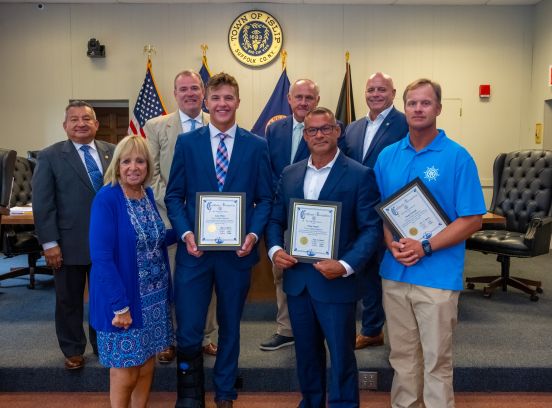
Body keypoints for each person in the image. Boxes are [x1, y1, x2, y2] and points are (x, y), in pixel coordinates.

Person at [374, 79, 486, 408]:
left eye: (425, 103)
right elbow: (383, 213)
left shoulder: (457, 157)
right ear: (403, 108)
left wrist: (425, 247)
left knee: (437, 361)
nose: (418, 109)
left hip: (437, 277)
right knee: (402, 358)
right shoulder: (388, 155)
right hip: (394, 274)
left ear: (438, 108)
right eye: (412, 103)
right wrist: (391, 243)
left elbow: (472, 220)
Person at [165, 72, 272, 408]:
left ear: (238, 102)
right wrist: (186, 233)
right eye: (216, 98)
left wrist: (254, 235)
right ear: (207, 103)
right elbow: (174, 196)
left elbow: (266, 198)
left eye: (229, 98)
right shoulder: (188, 143)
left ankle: (225, 390)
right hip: (194, 254)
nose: (223, 104)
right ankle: (190, 394)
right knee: (189, 328)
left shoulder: (257, 145)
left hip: (237, 255)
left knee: (230, 326)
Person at [266, 107, 382, 408]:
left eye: (325, 128)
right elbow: (275, 220)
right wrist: (275, 249)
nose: (319, 134)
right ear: (304, 135)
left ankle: (343, 404)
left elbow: (371, 229)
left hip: (336, 282)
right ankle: (312, 402)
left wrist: (345, 265)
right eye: (312, 130)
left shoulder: (359, 174)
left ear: (337, 131)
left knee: (342, 354)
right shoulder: (290, 174)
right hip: (299, 281)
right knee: (306, 353)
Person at [88, 135, 175, 408]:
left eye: (140, 161)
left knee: (147, 364)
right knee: (126, 372)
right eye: (126, 161)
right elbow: (101, 258)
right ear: (117, 165)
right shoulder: (107, 198)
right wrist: (120, 306)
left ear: (148, 166)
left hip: (154, 298)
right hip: (124, 302)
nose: (133, 167)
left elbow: (153, 239)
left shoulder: (146, 194)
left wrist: (187, 234)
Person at [261, 78, 345, 351]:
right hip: (285, 212)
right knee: (283, 270)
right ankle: (287, 329)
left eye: (309, 97)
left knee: (318, 269)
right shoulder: (275, 130)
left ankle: (315, 326)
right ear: (289, 99)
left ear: (316, 101)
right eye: (299, 97)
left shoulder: (325, 130)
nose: (303, 102)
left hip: (320, 217)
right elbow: (269, 170)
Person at [32, 100, 115, 370]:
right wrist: (50, 243)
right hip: (68, 243)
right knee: (69, 299)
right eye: (74, 119)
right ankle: (73, 349)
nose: (81, 123)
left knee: (106, 298)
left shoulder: (113, 152)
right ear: (65, 125)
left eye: (87, 118)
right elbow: (43, 204)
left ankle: (103, 345)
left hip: (108, 243)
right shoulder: (50, 156)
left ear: (96, 124)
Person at [144, 69, 218, 362]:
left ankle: (207, 336)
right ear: (175, 94)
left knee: (208, 281)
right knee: (172, 281)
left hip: (212, 222)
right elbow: (152, 176)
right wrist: (180, 209)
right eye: (183, 89)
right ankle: (169, 338)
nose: (189, 93)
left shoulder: (219, 123)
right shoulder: (156, 126)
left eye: (195, 88)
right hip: (171, 220)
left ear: (203, 92)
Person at [343, 72, 409, 350]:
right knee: (367, 272)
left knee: (393, 271)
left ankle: (402, 333)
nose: (376, 94)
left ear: (394, 93)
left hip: (393, 210)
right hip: (361, 211)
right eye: (371, 89)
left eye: (382, 89)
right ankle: (372, 329)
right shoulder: (353, 128)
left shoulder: (405, 123)